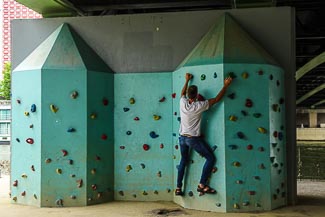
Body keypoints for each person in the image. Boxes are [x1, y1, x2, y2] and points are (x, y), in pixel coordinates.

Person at [175, 72, 233, 196]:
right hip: (193, 139)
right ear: (196, 96)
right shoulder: (199, 105)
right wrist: (226, 85)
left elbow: (182, 93)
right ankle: (202, 185)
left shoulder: (182, 102)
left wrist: (186, 80)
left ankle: (178, 188)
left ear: (188, 95)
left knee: (183, 160)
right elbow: (217, 99)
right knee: (211, 158)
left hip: (182, 138)